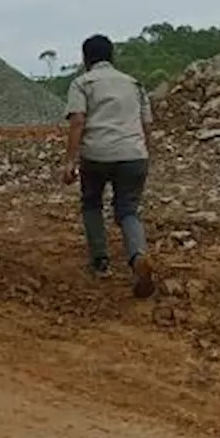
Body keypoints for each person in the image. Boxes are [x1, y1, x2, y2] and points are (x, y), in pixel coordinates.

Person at [60, 34, 156, 298]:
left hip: (97, 155)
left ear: (85, 59)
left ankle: (100, 262)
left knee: (91, 202)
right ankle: (138, 256)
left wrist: (70, 161)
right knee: (127, 209)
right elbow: (146, 123)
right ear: (113, 57)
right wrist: (146, 153)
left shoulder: (82, 83)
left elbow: (78, 121)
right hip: (134, 154)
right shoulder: (134, 84)